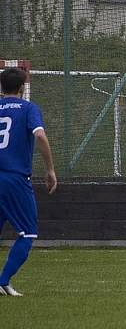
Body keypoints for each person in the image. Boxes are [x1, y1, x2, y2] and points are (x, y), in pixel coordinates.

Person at [0, 67, 57, 296]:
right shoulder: (28, 108)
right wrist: (50, 169)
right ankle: (3, 281)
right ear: (23, 88)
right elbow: (40, 135)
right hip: (15, 179)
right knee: (28, 233)